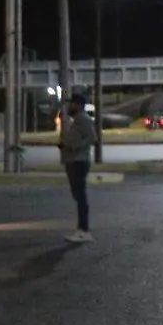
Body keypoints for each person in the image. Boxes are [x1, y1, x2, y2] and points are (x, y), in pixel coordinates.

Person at [59, 92, 98, 243]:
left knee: (81, 197)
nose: (70, 106)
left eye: (72, 103)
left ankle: (84, 230)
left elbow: (92, 137)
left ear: (79, 105)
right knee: (78, 196)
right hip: (73, 161)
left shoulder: (83, 118)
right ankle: (81, 229)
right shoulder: (76, 120)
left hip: (79, 162)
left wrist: (75, 147)